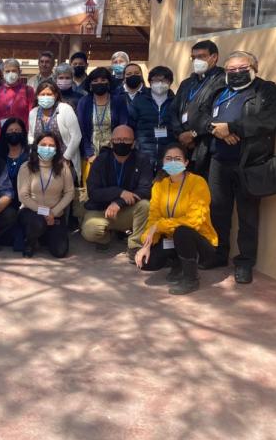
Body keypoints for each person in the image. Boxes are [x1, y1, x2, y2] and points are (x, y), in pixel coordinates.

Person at [205, 51, 276, 284]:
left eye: (241, 68)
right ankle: (219, 254)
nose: (236, 73)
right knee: (218, 211)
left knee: (248, 216)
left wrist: (232, 128)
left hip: (249, 163)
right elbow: (200, 116)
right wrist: (215, 130)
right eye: (231, 70)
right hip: (218, 161)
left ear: (254, 67)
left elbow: (266, 121)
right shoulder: (219, 91)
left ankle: (245, 263)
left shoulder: (267, 91)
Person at [135, 144, 218, 295]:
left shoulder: (197, 183)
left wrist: (160, 226)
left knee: (182, 232)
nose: (173, 162)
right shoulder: (159, 185)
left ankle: (191, 279)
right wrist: (146, 243)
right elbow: (153, 218)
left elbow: (195, 221)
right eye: (168, 159)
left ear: (186, 163)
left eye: (177, 159)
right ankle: (178, 263)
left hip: (200, 244)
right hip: (172, 239)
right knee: (147, 262)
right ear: (163, 163)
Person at [81, 125, 152, 258]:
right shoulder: (100, 160)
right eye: (118, 139)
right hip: (102, 210)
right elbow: (93, 192)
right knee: (90, 231)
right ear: (111, 141)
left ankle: (134, 245)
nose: (121, 143)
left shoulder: (142, 159)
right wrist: (119, 192)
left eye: (126, 139)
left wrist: (119, 202)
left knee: (145, 205)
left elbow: (145, 189)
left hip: (127, 209)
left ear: (133, 143)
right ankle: (105, 237)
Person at [169, 40, 226, 177]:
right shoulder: (187, 83)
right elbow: (173, 110)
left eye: (201, 56)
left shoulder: (223, 80)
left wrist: (194, 134)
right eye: (193, 58)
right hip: (184, 144)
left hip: (206, 145)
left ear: (214, 57)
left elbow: (217, 114)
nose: (196, 61)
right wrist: (180, 134)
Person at [17, 133, 75, 258]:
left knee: (60, 252)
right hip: (31, 212)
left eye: (51, 145)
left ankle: (43, 237)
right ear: (36, 147)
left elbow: (69, 192)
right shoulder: (26, 167)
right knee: (38, 223)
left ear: (57, 149)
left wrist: (53, 212)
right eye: (43, 145)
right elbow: (23, 196)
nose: (47, 148)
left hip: (56, 214)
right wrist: (44, 212)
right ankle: (30, 242)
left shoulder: (63, 167)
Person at [77, 67, 131, 178]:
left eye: (103, 80)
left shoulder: (118, 101)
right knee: (92, 190)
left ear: (109, 82)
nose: (99, 83)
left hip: (115, 153)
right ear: (90, 84)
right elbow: (81, 130)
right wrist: (89, 154)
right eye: (95, 81)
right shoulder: (84, 102)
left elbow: (123, 126)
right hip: (91, 155)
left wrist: (118, 151)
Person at [27, 81, 82, 183]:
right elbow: (31, 135)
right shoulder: (33, 112)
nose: (45, 97)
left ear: (56, 95)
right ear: (37, 96)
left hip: (64, 162)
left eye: (49, 94)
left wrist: (66, 158)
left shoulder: (65, 109)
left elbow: (76, 136)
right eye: (42, 94)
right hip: (41, 162)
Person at [130, 66, 176, 171]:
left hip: (168, 156)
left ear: (170, 82)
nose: (160, 83)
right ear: (150, 82)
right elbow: (130, 125)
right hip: (143, 154)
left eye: (163, 80)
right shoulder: (138, 101)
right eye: (156, 80)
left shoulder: (176, 102)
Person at [0, 58, 35, 139]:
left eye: (14, 71)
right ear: (3, 73)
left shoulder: (28, 90)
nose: (11, 73)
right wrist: (0, 135)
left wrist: (23, 134)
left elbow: (32, 116)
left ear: (20, 72)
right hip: (1, 137)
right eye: (7, 71)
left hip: (22, 136)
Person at [0, 118, 29, 205]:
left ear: (23, 133)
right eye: (10, 130)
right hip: (1, 198)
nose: (14, 132)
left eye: (17, 130)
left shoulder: (29, 153)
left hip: (25, 200)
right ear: (4, 133)